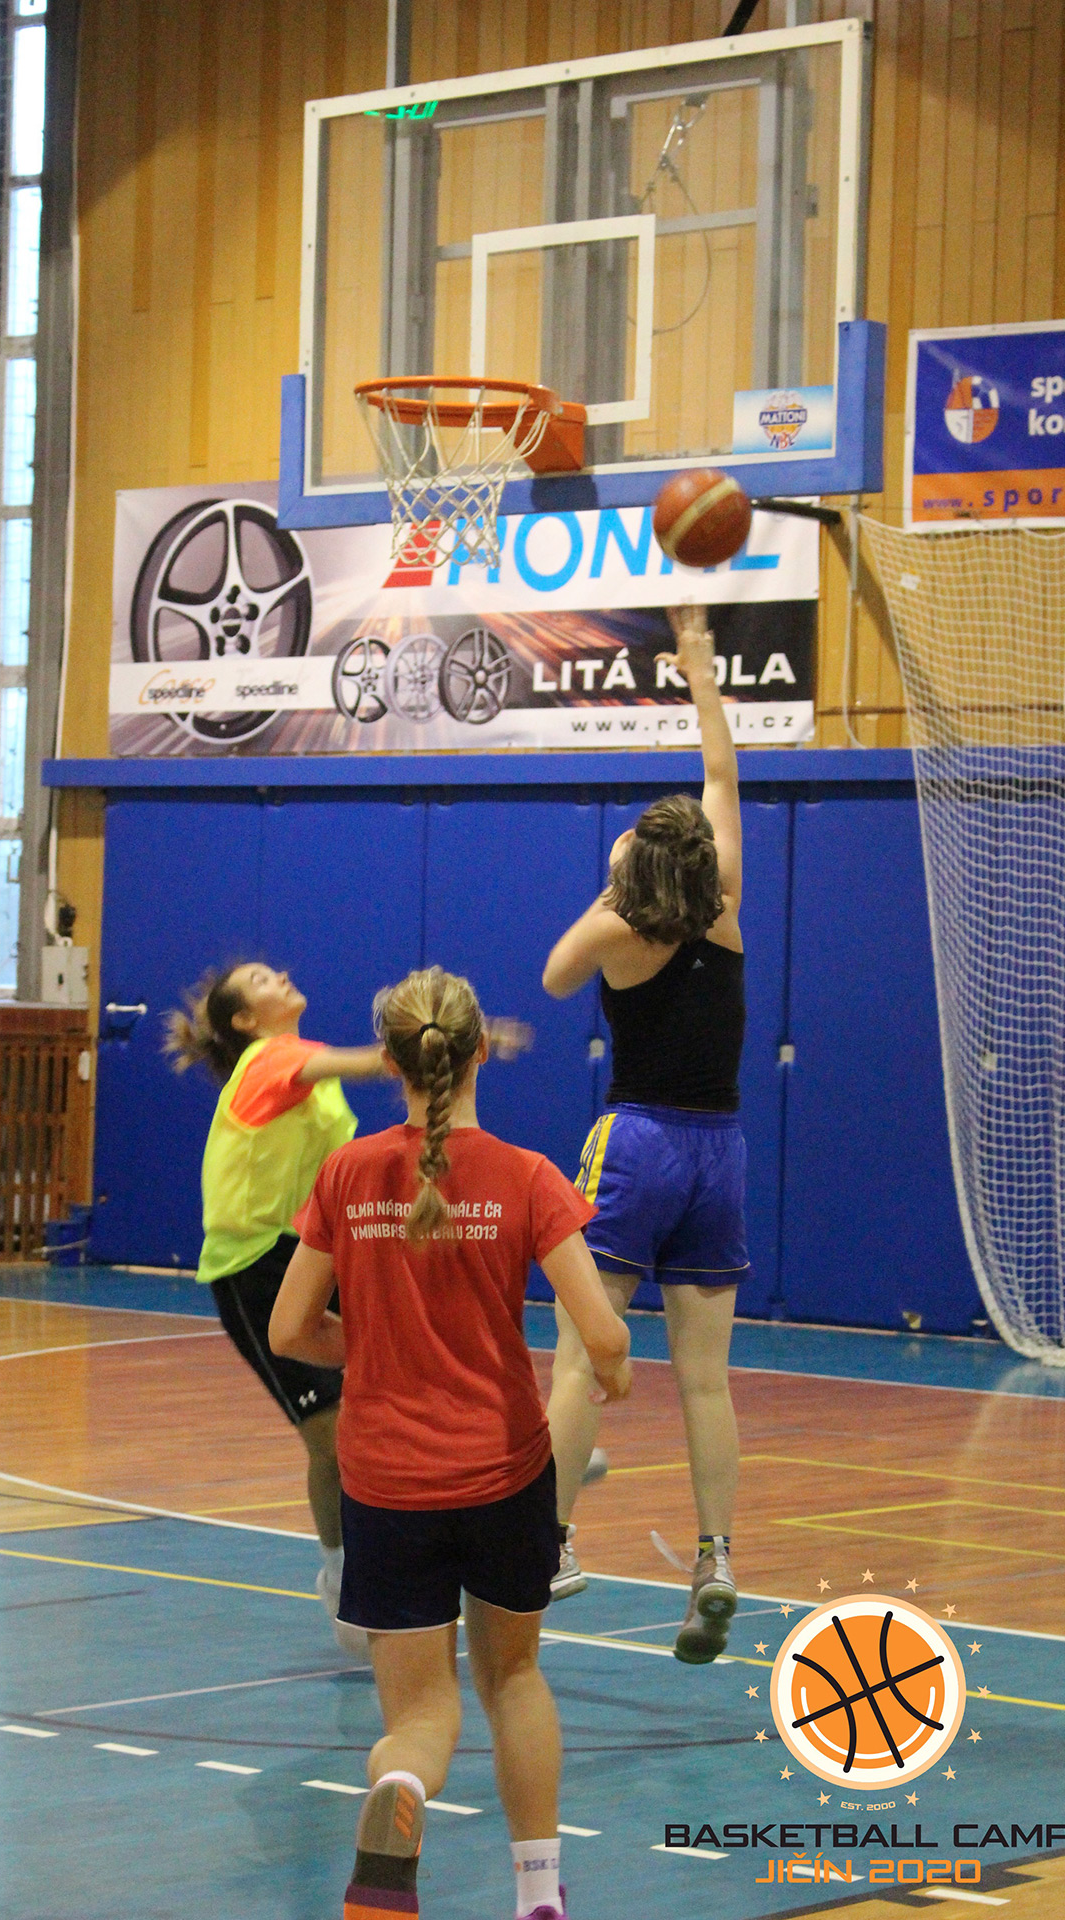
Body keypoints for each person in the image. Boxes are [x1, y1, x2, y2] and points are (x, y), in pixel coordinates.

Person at [269, 966, 631, 1920]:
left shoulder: (347, 1176)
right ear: (480, 1056)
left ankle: (400, 1788)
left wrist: (375, 1343)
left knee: (421, 1717)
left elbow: (289, 1329)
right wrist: (617, 1373)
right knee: (515, 1677)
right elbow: (602, 1333)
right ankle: (539, 1892)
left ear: (388, 1064)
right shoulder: (527, 1176)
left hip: (387, 1481)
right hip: (503, 1472)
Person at [540, 604, 747, 1665]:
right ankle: (715, 1560)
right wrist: (699, 665)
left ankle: (549, 1543)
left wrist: (611, 887)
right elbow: (721, 767)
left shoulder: (620, 927)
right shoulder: (727, 907)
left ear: (635, 866)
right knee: (704, 1379)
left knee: (582, 1355)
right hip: (721, 1153)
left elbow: (551, 976)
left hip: (640, 1146)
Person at [165, 961, 389, 1652]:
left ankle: (524, 1477)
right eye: (262, 979)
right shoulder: (269, 1061)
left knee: (406, 1388)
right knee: (331, 1433)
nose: (282, 975)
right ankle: (343, 1575)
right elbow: (370, 1062)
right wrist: (438, 1045)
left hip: (316, 1253)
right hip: (253, 1265)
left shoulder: (310, 1075)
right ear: (245, 1020)